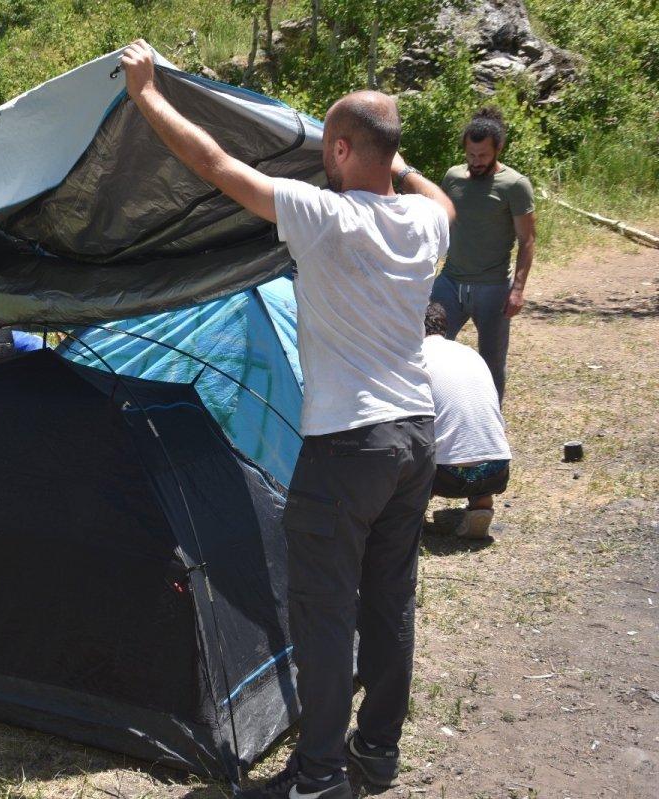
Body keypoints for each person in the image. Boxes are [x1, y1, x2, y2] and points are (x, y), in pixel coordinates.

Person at [118, 41, 453, 799]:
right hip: (414, 436)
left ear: (338, 149)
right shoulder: (422, 226)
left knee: (326, 613)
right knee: (391, 599)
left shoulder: (326, 217)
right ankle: (375, 753)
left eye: (330, 151)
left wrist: (147, 95)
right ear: (392, 155)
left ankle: (319, 776)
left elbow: (216, 166)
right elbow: (445, 202)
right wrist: (396, 165)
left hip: (348, 443)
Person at [430, 107, 536, 402]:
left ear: (498, 149)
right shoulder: (453, 177)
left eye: (483, 156)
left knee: (492, 362)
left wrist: (517, 290)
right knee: (424, 347)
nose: (476, 162)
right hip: (449, 282)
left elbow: (527, 240)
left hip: (492, 288)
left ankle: (491, 422)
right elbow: (440, 224)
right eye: (471, 155)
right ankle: (431, 413)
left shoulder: (515, 185)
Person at [422, 302, 512, 539]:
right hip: (496, 469)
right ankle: (481, 506)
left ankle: (413, 514)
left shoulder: (416, 360)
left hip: (447, 477)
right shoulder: (470, 353)